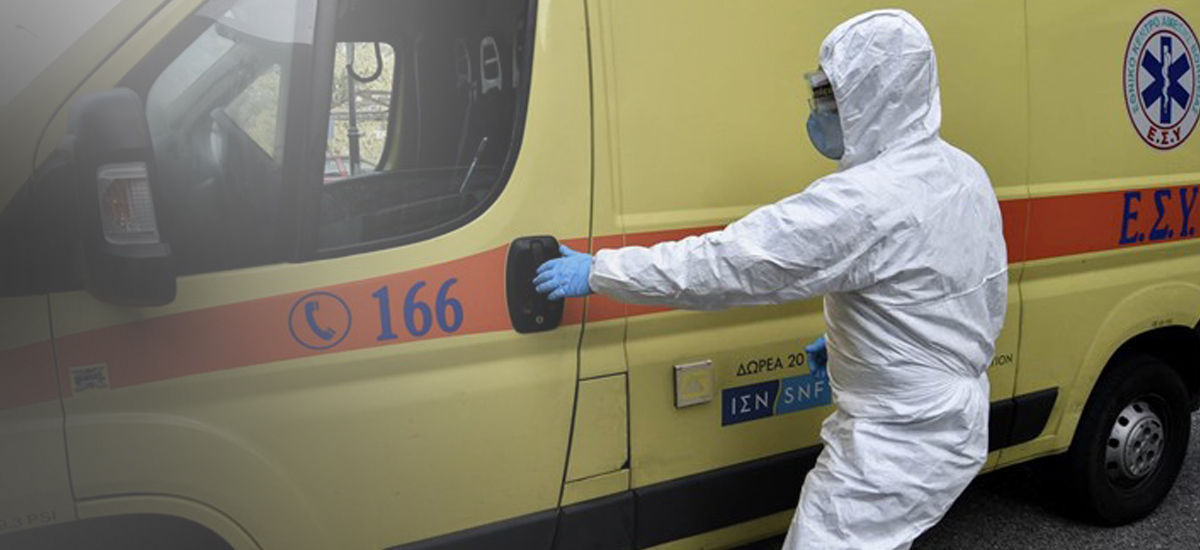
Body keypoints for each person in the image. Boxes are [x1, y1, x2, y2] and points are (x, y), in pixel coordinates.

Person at [534, 9, 1006, 550]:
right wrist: (862, 345)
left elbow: (726, 264)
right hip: (952, 418)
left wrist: (600, 270)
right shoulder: (962, 171)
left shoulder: (865, 201)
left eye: (830, 95)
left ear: (873, 96)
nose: (819, 109)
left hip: (900, 437)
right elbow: (966, 289)